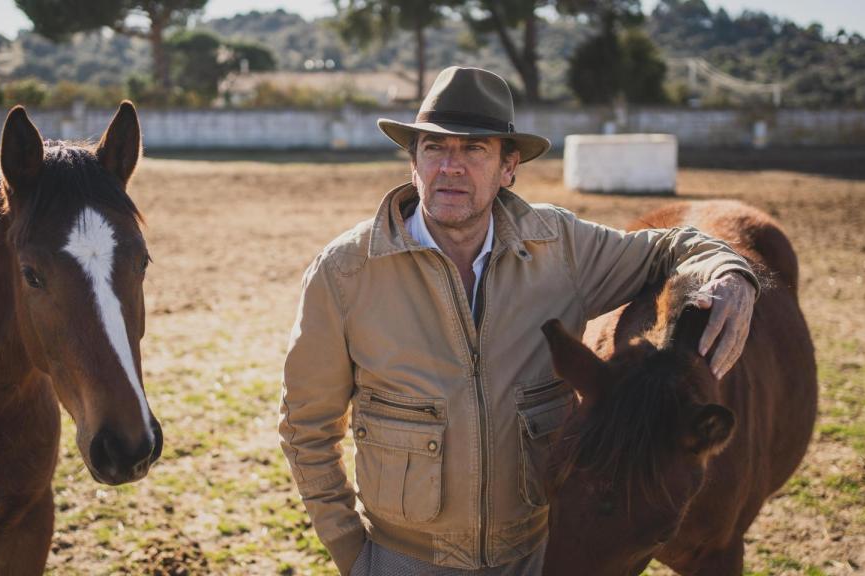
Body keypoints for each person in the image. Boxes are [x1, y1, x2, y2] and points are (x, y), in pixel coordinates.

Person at [279, 66, 757, 575]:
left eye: (474, 150)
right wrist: (356, 556)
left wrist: (729, 273)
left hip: (532, 555)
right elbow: (306, 427)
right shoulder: (346, 271)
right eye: (435, 149)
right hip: (403, 558)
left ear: (509, 167)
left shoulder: (561, 248)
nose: (451, 168)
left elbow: (672, 248)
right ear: (413, 162)